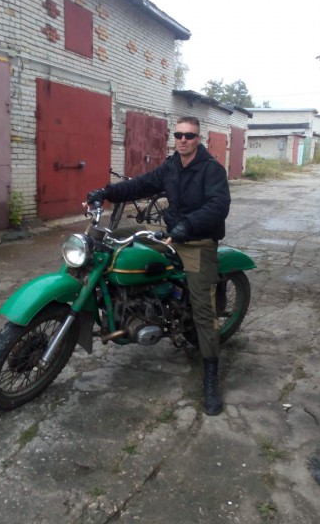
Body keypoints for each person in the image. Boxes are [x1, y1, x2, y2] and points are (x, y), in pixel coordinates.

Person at [87, 116, 231, 415]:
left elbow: (218, 206)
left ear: (198, 139)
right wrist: (106, 192)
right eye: (178, 135)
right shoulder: (171, 166)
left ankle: (210, 377)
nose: (183, 140)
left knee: (204, 311)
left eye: (189, 136)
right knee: (113, 242)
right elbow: (140, 185)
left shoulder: (212, 169)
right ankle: (123, 306)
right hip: (171, 235)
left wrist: (188, 225)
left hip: (198, 241)